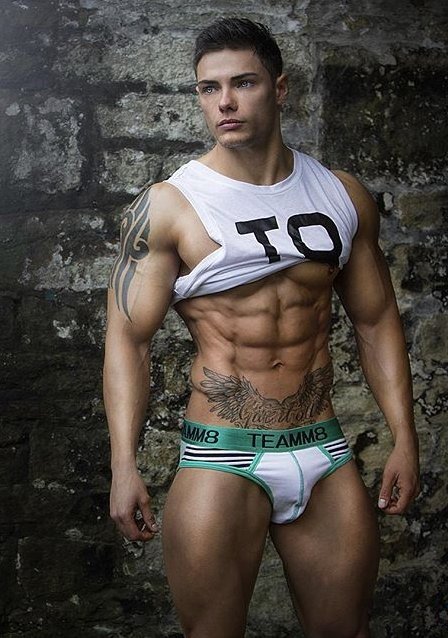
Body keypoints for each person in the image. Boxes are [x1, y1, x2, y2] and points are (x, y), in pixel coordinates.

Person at [103, 17, 420, 638]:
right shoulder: (170, 206)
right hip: (223, 453)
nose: (224, 102)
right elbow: (128, 339)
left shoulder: (341, 194)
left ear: (279, 88)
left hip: (323, 449)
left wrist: (404, 437)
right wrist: (123, 465)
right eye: (208, 88)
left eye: (243, 83)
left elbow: (376, 319)